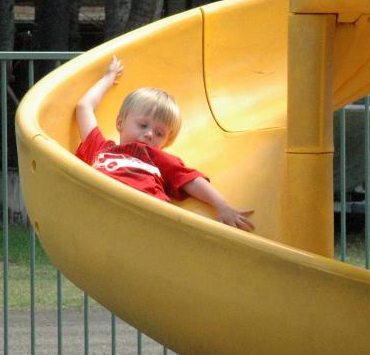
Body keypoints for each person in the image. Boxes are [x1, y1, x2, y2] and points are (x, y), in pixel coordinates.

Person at [74, 56, 255, 231]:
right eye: (142, 125)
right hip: (102, 206)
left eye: (159, 133)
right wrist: (109, 77)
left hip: (147, 215)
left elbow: (191, 181)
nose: (149, 134)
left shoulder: (154, 158)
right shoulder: (101, 149)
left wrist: (222, 206)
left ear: (166, 142)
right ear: (120, 123)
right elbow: (84, 107)